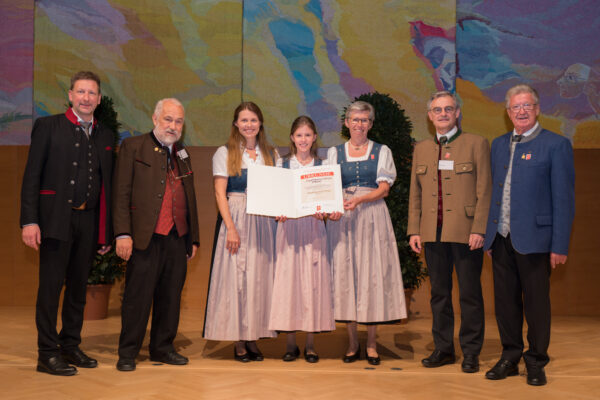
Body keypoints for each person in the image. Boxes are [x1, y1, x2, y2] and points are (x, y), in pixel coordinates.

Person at [20, 70, 113, 376]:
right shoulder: (48, 126)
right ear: (71, 95)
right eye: (81, 92)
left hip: (89, 221)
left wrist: (106, 232)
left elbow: (107, 186)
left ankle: (70, 345)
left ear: (99, 99)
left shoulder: (105, 134)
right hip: (54, 220)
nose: (86, 98)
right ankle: (47, 353)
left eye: (92, 93)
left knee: (77, 289)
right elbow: (31, 176)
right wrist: (30, 221)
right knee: (50, 289)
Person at [483, 84, 575, 386]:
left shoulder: (556, 145)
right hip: (501, 238)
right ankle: (510, 357)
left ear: (537, 109)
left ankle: (536, 360)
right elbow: (493, 192)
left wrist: (559, 245)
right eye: (515, 107)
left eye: (526, 106)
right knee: (505, 304)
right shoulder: (498, 144)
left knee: (536, 305)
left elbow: (564, 200)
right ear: (508, 112)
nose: (521, 111)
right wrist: (489, 235)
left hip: (537, 241)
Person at [407, 91, 491, 373]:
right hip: (432, 233)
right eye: (437, 110)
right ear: (430, 116)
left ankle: (471, 352)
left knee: (469, 294)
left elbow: (485, 190)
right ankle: (443, 349)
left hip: (466, 233)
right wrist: (414, 230)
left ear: (457, 113)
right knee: (439, 295)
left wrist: (479, 228)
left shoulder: (476, 143)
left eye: (448, 109)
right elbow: (415, 194)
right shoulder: (421, 148)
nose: (442, 114)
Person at [113, 98, 199, 372]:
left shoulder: (182, 153)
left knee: (170, 297)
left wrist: (193, 237)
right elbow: (121, 192)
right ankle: (128, 352)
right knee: (137, 298)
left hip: (176, 237)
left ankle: (162, 348)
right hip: (143, 237)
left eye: (178, 121)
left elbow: (190, 197)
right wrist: (122, 233)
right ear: (155, 118)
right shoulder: (133, 146)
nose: (173, 126)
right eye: (168, 119)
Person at [326, 100, 406, 365]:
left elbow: (384, 188)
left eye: (364, 120)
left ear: (370, 124)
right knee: (346, 275)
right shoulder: (334, 153)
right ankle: (352, 343)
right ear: (346, 122)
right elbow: (328, 187)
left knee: (372, 274)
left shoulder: (382, 151)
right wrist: (333, 206)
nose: (359, 124)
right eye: (355, 119)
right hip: (343, 217)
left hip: (371, 215)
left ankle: (371, 344)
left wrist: (359, 200)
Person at [203, 102, 278, 362]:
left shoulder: (271, 154)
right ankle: (238, 340)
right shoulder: (224, 153)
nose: (249, 125)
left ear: (260, 123)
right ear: (236, 123)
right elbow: (219, 193)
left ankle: (253, 336)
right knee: (237, 280)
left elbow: (277, 192)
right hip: (235, 216)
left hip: (263, 222)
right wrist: (231, 229)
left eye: (253, 120)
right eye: (244, 120)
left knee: (258, 279)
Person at [268, 116, 335, 363]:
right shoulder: (282, 164)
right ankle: (290, 344)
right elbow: (275, 197)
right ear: (292, 138)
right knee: (290, 285)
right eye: (299, 135)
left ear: (314, 137)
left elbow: (329, 200)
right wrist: (278, 211)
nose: (303, 139)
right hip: (288, 229)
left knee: (312, 284)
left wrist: (324, 211)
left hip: (314, 228)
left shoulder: (323, 165)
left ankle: (310, 345)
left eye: (307, 135)